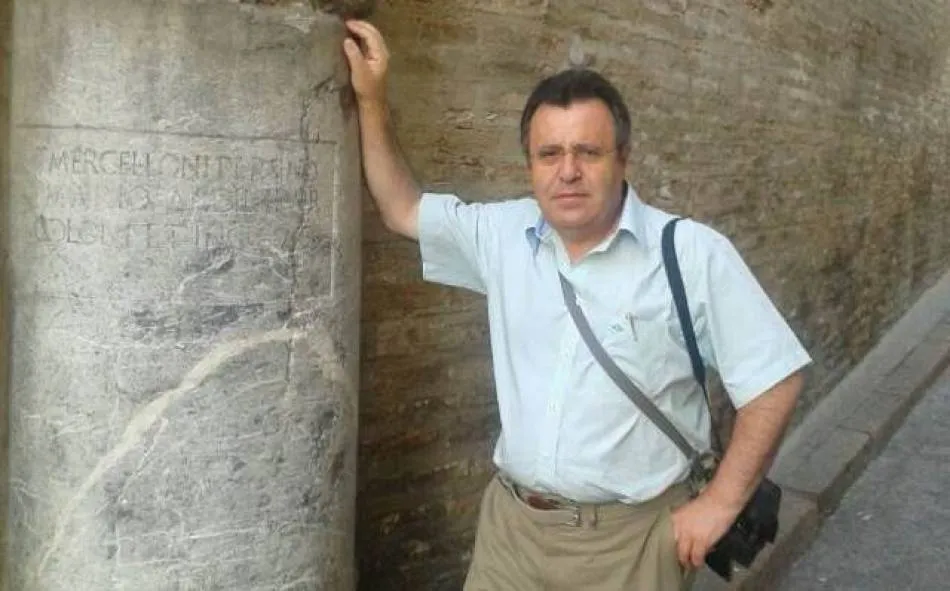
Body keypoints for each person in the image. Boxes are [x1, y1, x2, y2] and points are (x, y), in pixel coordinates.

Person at [343, 19, 811, 591]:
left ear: (623, 158)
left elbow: (775, 380)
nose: (568, 171)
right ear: (530, 165)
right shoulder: (503, 235)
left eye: (588, 152)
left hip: (629, 545)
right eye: (550, 154)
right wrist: (372, 100)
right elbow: (402, 208)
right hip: (511, 534)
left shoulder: (690, 254)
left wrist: (720, 503)